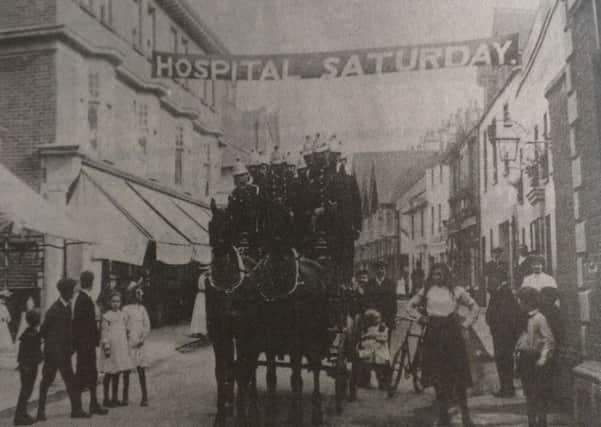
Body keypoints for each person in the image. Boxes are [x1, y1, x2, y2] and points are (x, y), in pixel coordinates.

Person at [407, 263, 479, 427]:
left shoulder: (456, 291)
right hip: (433, 335)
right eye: (434, 274)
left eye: (440, 274)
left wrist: (466, 324)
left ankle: (466, 416)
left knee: (458, 377)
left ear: (446, 275)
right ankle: (443, 417)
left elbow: (474, 307)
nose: (437, 277)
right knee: (438, 377)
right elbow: (409, 306)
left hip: (452, 334)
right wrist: (420, 318)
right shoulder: (426, 291)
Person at [37, 278, 89, 421]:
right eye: (73, 290)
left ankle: (76, 410)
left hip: (64, 353)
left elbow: (69, 331)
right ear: (65, 291)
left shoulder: (67, 307)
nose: (74, 292)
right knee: (47, 381)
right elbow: (44, 330)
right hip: (53, 354)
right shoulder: (54, 310)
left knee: (70, 381)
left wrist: (71, 346)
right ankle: (40, 412)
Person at [515, 287, 555, 427]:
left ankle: (542, 422)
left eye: (521, 301)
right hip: (525, 359)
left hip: (535, 360)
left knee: (538, 393)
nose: (519, 304)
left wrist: (543, 358)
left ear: (529, 302)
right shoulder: (524, 317)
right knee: (528, 392)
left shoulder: (539, 318)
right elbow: (524, 336)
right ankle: (531, 422)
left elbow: (549, 340)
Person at [485, 247, 521, 398]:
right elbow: (490, 315)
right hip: (501, 332)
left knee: (503, 360)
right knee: (504, 360)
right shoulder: (497, 295)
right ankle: (507, 388)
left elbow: (515, 314)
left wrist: (496, 326)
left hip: (504, 333)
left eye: (495, 280)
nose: (492, 283)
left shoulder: (504, 294)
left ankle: (507, 388)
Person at [73, 271, 108, 415]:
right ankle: (80, 408)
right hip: (85, 345)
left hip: (85, 344)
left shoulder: (82, 299)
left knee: (89, 375)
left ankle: (91, 404)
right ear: (92, 283)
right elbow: (84, 325)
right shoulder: (84, 300)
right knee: (84, 375)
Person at [100, 292, 134, 407]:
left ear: (121, 303)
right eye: (113, 301)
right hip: (111, 347)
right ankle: (106, 398)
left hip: (121, 347)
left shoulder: (123, 315)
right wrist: (106, 346)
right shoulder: (106, 316)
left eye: (118, 301)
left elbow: (126, 330)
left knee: (117, 372)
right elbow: (104, 333)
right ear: (109, 302)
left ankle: (114, 398)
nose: (116, 304)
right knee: (109, 372)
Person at [123, 283, 151, 407]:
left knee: (141, 370)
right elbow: (123, 326)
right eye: (139, 293)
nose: (142, 295)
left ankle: (144, 397)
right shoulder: (126, 309)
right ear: (134, 294)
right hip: (129, 343)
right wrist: (126, 338)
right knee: (126, 371)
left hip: (140, 343)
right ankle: (125, 397)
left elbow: (147, 326)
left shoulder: (142, 309)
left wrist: (142, 338)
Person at [14, 309, 42, 426]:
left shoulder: (27, 333)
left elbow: (21, 352)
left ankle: (23, 413)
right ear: (37, 321)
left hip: (28, 366)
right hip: (29, 367)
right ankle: (19, 416)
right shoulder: (33, 335)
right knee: (26, 391)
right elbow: (33, 352)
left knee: (27, 390)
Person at [362, 261, 397, 331]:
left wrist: (388, 319)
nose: (380, 271)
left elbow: (393, 303)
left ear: (385, 270)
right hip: (372, 319)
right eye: (378, 268)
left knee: (385, 339)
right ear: (375, 270)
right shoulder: (369, 284)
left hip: (387, 319)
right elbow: (366, 301)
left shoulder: (391, 284)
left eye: (382, 268)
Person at [189, 266, 207, 339]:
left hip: (200, 295)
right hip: (203, 295)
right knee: (202, 312)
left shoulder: (201, 276)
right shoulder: (204, 277)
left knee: (199, 312)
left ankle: (199, 330)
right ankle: (202, 331)